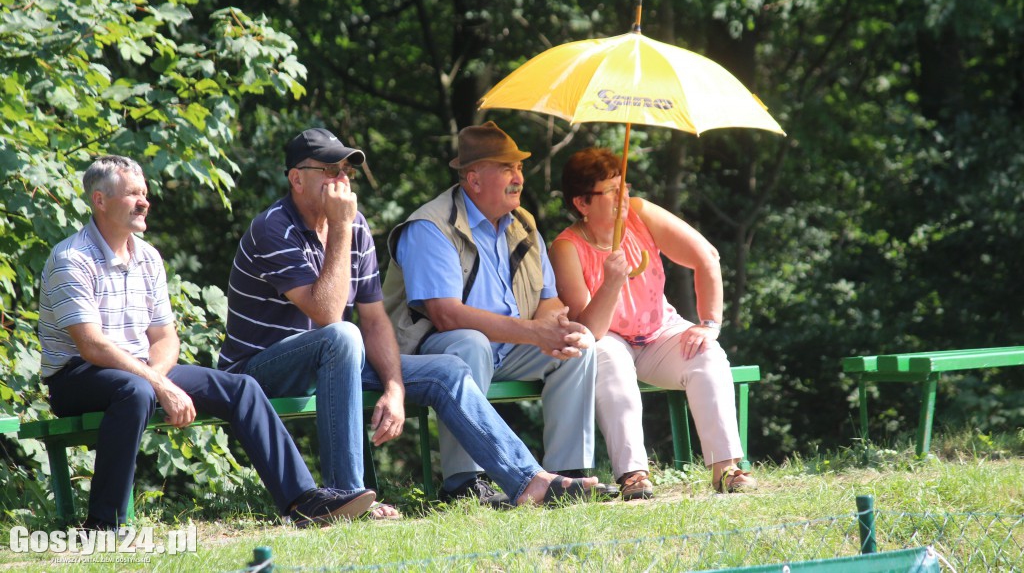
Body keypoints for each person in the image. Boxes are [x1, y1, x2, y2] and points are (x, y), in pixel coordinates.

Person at [219, 127, 602, 514]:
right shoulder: (274, 227)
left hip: (337, 361)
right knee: (342, 336)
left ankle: (526, 481)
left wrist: (395, 386)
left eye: (346, 172)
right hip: (259, 371)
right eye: (329, 171)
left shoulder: (355, 226)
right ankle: (346, 494)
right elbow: (328, 314)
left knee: (448, 370)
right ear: (296, 178)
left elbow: (374, 320)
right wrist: (339, 227)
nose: (342, 181)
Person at [37, 155, 375, 531]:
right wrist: (159, 384)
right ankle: (104, 525)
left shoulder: (147, 257)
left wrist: (157, 378)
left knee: (242, 388)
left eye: (145, 192)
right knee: (136, 392)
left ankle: (303, 501)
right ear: (99, 200)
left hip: (141, 370)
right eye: (133, 194)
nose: (144, 201)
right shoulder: (71, 258)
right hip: (77, 377)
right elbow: (92, 346)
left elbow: (166, 339)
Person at [383, 121, 602, 491]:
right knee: (470, 343)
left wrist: (552, 329)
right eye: (506, 168)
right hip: (430, 352)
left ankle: (569, 475)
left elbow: (548, 298)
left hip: (507, 345)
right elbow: (445, 315)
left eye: (519, 167)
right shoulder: (430, 226)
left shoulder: (524, 224)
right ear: (474, 178)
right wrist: (533, 332)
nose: (518, 177)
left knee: (579, 344)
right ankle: (466, 481)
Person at [548, 147, 757, 498]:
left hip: (659, 331)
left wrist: (709, 323)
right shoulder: (566, 247)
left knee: (707, 352)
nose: (624, 197)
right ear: (582, 203)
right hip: (609, 337)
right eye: (611, 191)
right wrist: (611, 281)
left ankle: (727, 470)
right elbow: (590, 331)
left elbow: (706, 256)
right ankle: (634, 475)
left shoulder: (640, 214)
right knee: (607, 356)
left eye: (624, 186)